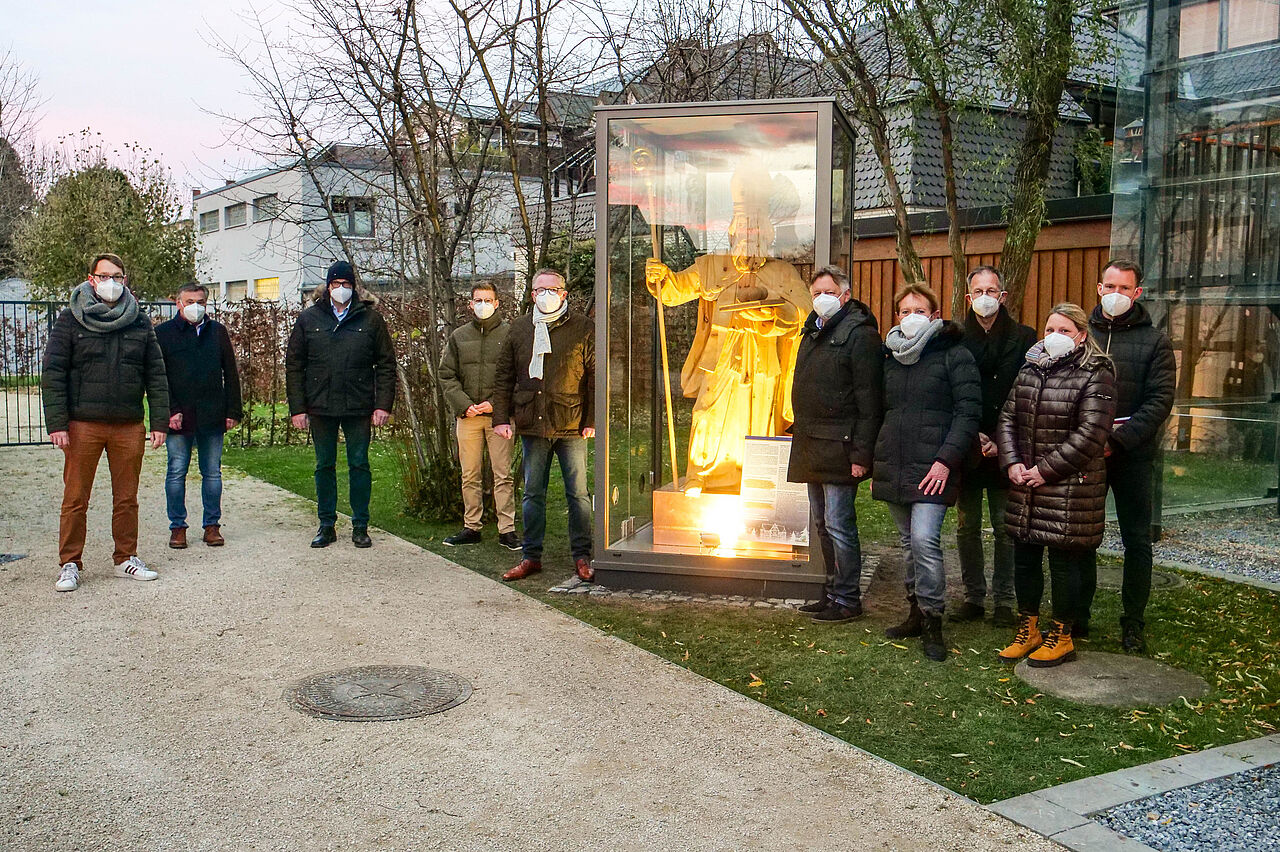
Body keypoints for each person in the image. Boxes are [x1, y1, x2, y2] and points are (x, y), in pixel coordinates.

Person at [643, 159, 809, 495]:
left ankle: (756, 479)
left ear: (767, 233)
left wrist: (772, 316)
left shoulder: (782, 272)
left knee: (758, 418)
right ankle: (700, 474)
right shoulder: (712, 266)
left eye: (756, 229)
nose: (750, 235)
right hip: (721, 356)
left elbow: (804, 310)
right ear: (733, 229)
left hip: (763, 359)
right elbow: (676, 290)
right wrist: (661, 278)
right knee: (709, 412)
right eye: (744, 228)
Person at [41, 252, 170, 592]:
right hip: (83, 424)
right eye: (103, 275)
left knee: (127, 498)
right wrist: (57, 423)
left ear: (125, 280)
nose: (110, 282)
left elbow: (156, 374)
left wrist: (158, 421)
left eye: (117, 275)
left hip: (128, 424)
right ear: (91, 279)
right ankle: (70, 563)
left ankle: (125, 558)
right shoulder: (71, 319)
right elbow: (53, 372)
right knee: (75, 497)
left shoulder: (139, 321)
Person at [997, 303, 1116, 668]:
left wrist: (1044, 471)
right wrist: (1012, 462)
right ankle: (1028, 629)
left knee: (1065, 564)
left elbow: (1091, 433)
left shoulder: (1097, 372)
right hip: (1027, 485)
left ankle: (1063, 635)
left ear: (1081, 334)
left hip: (1070, 488)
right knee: (1025, 561)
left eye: (1064, 330)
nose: (1055, 336)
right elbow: (1007, 418)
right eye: (1050, 328)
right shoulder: (1030, 368)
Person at [874, 284, 981, 661]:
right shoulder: (889, 357)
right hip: (897, 463)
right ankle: (915, 611)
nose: (911, 316)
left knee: (923, 539)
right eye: (905, 310)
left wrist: (945, 460)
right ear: (896, 317)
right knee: (907, 543)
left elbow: (968, 413)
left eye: (920, 310)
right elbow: (881, 410)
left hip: (935, 466)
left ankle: (934, 617)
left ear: (935, 315)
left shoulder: (955, 355)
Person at [1085, 259, 1175, 653]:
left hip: (1132, 455)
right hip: (1086, 455)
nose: (1116, 294)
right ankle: (1076, 614)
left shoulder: (1156, 342)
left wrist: (1119, 441)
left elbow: (1159, 402)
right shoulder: (1081, 334)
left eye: (1125, 288)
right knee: (1081, 536)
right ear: (1099, 288)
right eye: (1110, 286)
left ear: (1137, 293)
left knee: (1136, 540)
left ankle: (1133, 622)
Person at [787, 266, 883, 623]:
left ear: (845, 295)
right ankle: (831, 592)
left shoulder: (860, 336)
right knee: (822, 524)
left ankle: (848, 598)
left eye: (828, 291)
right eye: (815, 293)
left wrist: (862, 454)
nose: (821, 299)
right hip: (812, 443)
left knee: (840, 524)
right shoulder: (812, 331)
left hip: (841, 447)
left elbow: (869, 401)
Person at [492, 269, 595, 582]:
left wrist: (591, 420)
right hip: (532, 424)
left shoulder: (583, 327)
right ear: (532, 294)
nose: (546, 294)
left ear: (563, 294)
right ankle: (530, 556)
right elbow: (504, 376)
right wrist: (501, 418)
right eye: (540, 289)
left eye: (553, 289)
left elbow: (595, 377)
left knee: (577, 494)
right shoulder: (520, 329)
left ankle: (582, 555)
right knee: (532, 493)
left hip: (572, 423)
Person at [285, 260, 396, 549]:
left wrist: (382, 404)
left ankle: (360, 525)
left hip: (358, 404)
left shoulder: (371, 319)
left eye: (347, 284)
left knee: (359, 463)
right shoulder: (309, 319)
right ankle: (326, 524)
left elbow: (386, 364)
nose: (341, 289)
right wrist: (298, 408)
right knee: (324, 465)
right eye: (336, 284)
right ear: (328, 286)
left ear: (354, 286)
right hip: (320, 404)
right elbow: (294, 365)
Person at [953, 266, 1037, 626]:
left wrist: (1003, 442)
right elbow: (952, 391)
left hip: (1009, 447)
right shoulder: (955, 337)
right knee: (966, 526)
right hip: (969, 445)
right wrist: (973, 437)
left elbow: (1030, 395)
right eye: (978, 291)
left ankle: (1005, 599)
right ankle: (973, 596)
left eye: (992, 290)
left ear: (1002, 295)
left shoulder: (1025, 337)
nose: (985, 297)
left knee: (1006, 528)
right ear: (969, 298)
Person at [155, 283, 243, 549]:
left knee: (212, 473)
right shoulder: (164, 334)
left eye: (201, 301)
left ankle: (212, 525)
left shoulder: (217, 332)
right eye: (190, 300)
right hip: (179, 417)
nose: (196, 306)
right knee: (176, 472)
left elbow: (231, 373)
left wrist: (232, 410)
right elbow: (158, 378)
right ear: (178, 303)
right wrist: (169, 410)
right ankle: (178, 527)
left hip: (212, 414)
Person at [438, 282, 518, 551]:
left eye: (488, 299)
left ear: (497, 303)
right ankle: (472, 525)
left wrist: (494, 405)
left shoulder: (510, 334)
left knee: (502, 474)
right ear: (470, 304)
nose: (483, 304)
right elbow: (446, 375)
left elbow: (517, 377)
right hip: (468, 416)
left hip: (500, 417)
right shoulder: (459, 337)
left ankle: (507, 528)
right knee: (470, 474)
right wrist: (465, 405)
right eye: (478, 300)